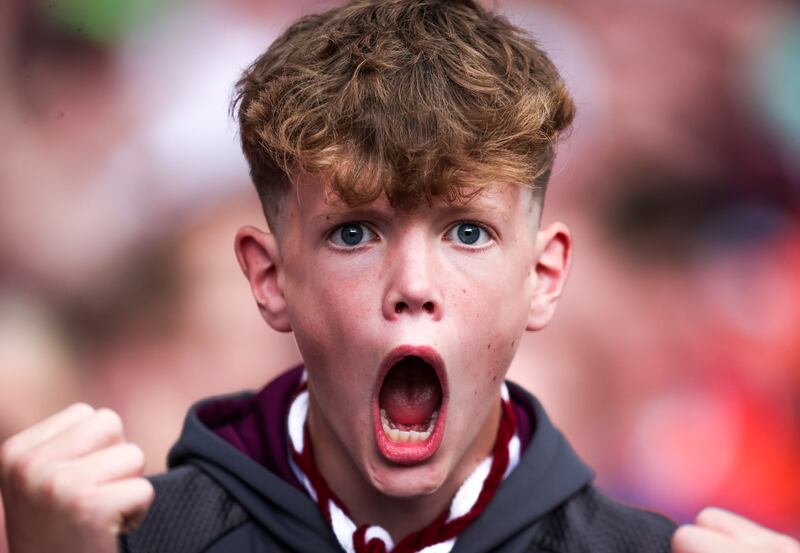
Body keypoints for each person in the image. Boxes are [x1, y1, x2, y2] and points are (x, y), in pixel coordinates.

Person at [1, 1, 798, 552]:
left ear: (545, 275)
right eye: (355, 232)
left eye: (467, 232)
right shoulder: (118, 537)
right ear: (271, 277)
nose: (413, 283)